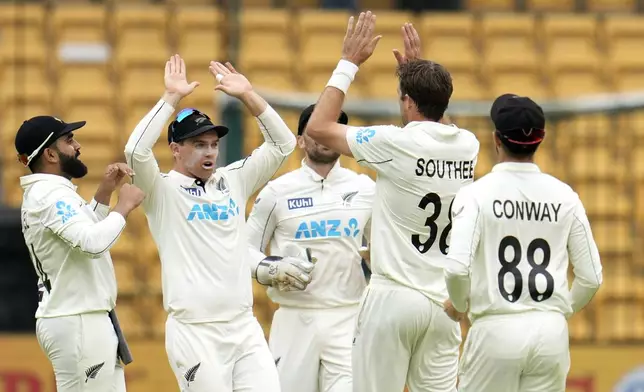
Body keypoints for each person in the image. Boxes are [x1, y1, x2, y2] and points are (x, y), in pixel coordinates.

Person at [305, 13, 480, 392]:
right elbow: (438, 123)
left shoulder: (393, 143)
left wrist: (348, 63)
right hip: (442, 306)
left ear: (408, 102)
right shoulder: (468, 145)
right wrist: (418, 76)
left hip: (393, 298)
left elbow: (316, 128)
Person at [124, 54, 315, 391]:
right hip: (194, 331)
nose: (209, 152)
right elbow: (135, 151)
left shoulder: (232, 180)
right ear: (175, 149)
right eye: (198, 145)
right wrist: (171, 98)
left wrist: (248, 95)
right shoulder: (161, 190)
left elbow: (283, 145)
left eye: (213, 144)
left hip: (243, 326)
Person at [444, 94, 603, 392]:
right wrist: (560, 310)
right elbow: (592, 277)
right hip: (550, 333)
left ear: (496, 140)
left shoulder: (475, 194)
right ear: (539, 141)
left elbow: (455, 270)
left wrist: (461, 304)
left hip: (496, 327)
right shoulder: (565, 196)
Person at [246, 104, 375, 392]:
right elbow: (242, 250)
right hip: (293, 320)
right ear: (301, 139)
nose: (324, 137)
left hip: (348, 318)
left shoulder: (366, 188)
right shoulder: (277, 192)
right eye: (315, 130)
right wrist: (271, 269)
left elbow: (384, 251)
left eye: (333, 129)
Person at [16, 115, 145, 391]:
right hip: (78, 320)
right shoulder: (51, 196)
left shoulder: (51, 193)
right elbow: (92, 243)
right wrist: (123, 207)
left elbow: (79, 238)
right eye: (69, 140)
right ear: (50, 153)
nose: (77, 146)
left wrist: (104, 193)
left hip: (83, 317)